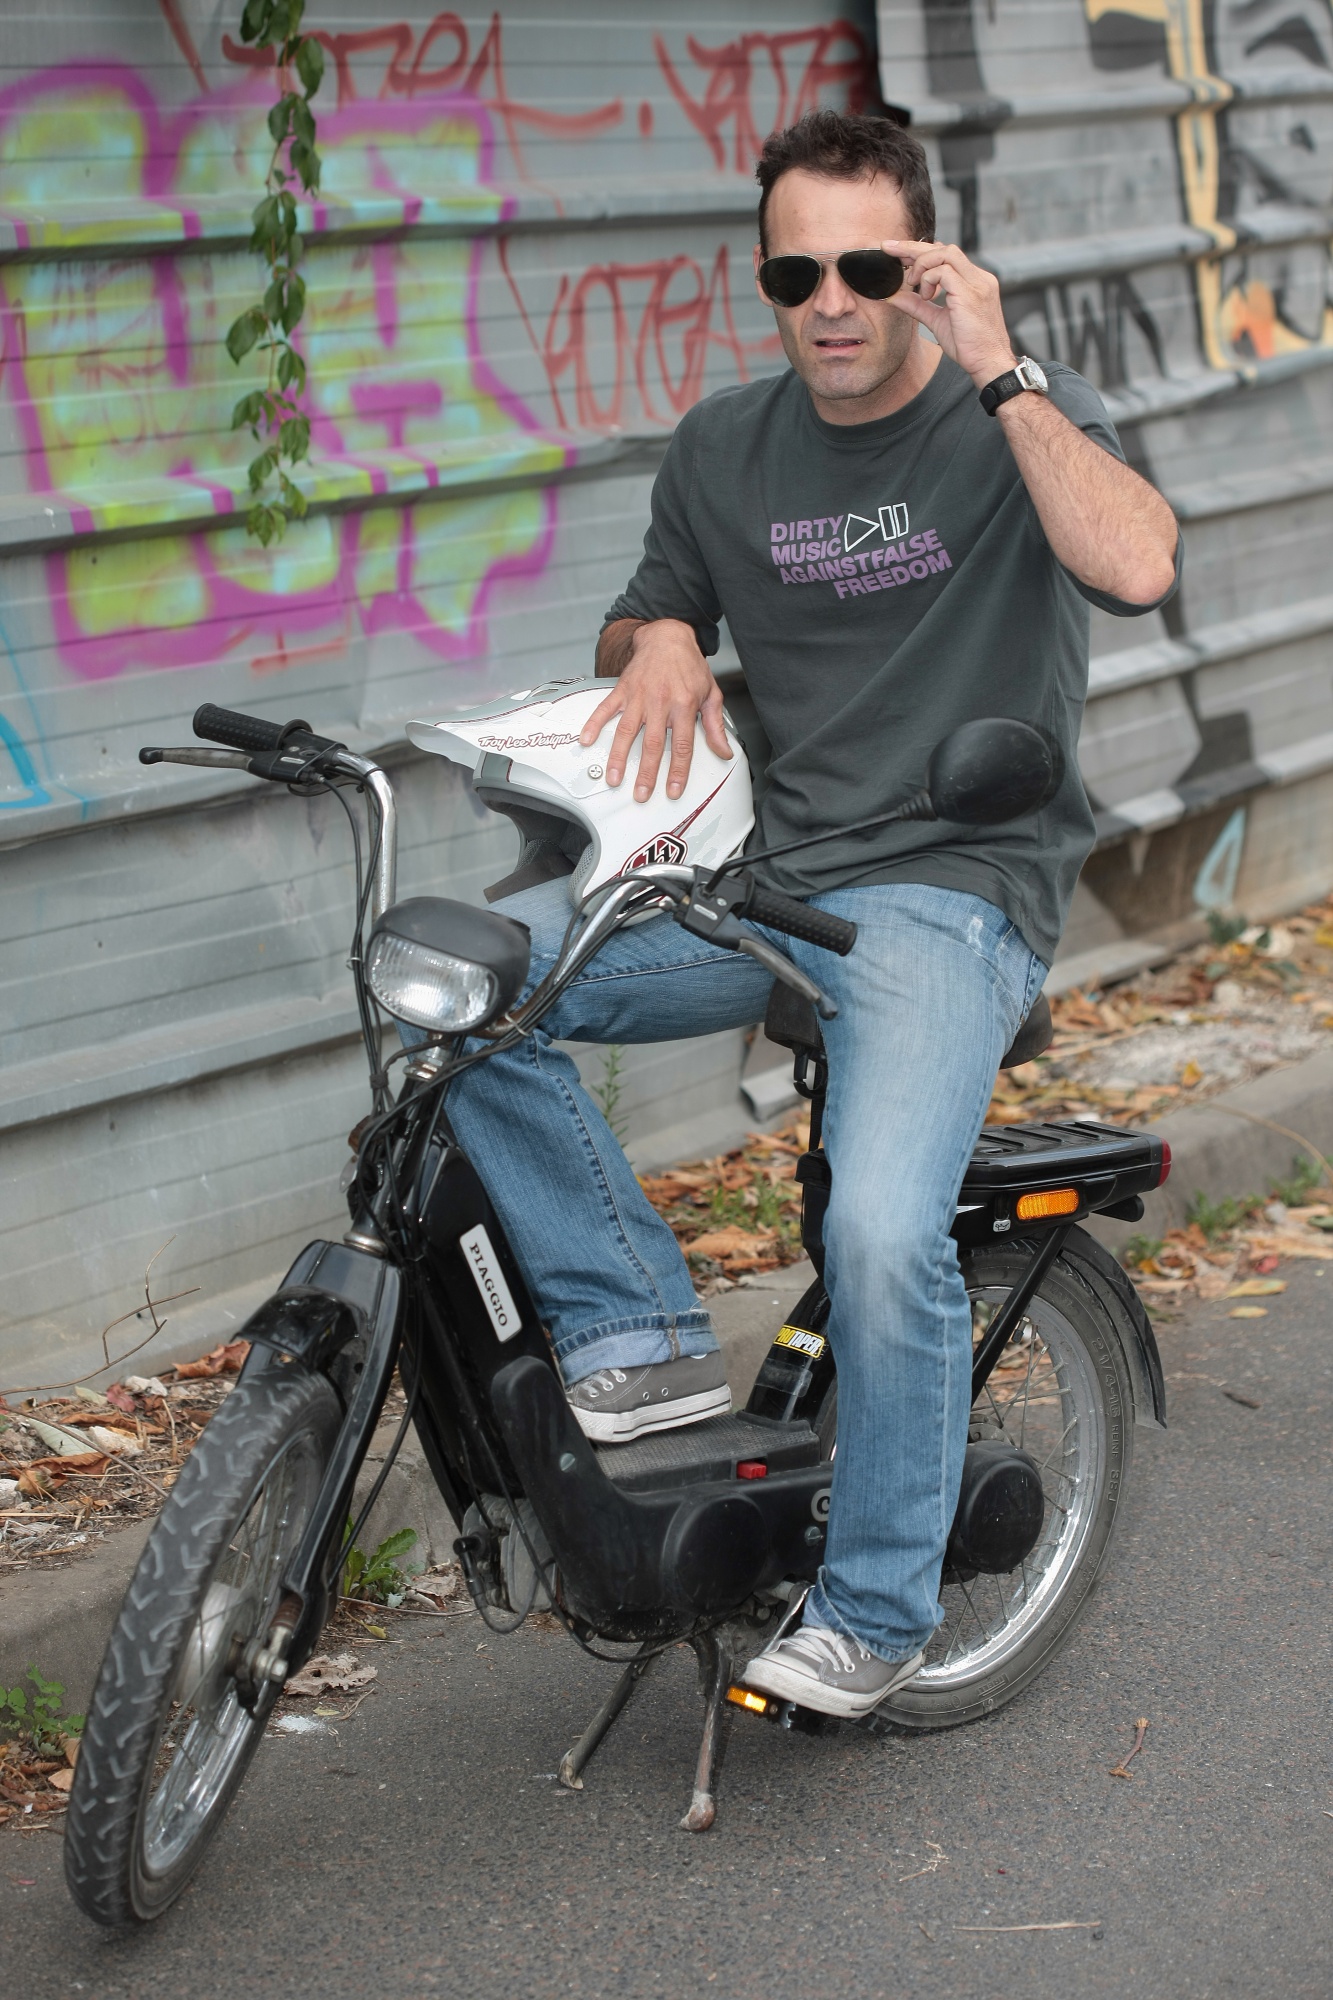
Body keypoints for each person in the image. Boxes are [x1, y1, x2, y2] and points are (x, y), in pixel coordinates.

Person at [444, 109, 1179, 1718]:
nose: (830, 303)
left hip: (949, 892)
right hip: (761, 882)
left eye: (865, 268)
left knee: (876, 1232)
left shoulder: (1017, 411)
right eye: (796, 273)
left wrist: (999, 367)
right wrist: (652, 638)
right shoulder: (725, 446)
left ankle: (878, 1604)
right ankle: (634, 1334)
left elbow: (1134, 565)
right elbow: (649, 607)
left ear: (921, 266)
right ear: (765, 278)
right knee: (468, 994)